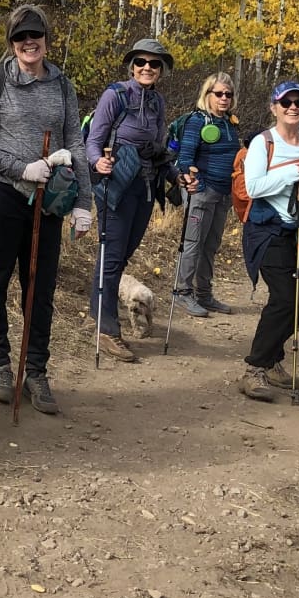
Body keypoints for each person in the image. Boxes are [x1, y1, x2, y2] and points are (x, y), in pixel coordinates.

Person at [0, 5, 92, 413]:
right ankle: (0, 366)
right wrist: (22, 168)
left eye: (35, 34)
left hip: (48, 201)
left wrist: (84, 203)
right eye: (20, 36)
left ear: (46, 38)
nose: (28, 42)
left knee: (39, 288)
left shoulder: (62, 85)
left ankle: (36, 371)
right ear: (11, 41)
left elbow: (75, 144)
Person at [238, 83, 299, 402]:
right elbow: (254, 187)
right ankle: (254, 368)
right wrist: (294, 172)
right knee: (284, 298)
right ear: (274, 107)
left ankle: (272, 360)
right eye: (286, 102)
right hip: (268, 231)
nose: (293, 107)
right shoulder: (262, 143)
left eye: (298, 102)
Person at [85, 38, 176, 361]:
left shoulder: (157, 103)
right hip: (117, 185)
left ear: (162, 69)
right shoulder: (116, 95)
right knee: (111, 257)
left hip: (146, 186)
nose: (147, 68)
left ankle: (99, 312)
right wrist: (99, 162)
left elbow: (160, 142)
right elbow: (94, 140)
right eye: (141, 62)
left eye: (154, 64)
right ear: (132, 66)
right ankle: (107, 330)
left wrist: (173, 172)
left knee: (121, 257)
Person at [171, 73, 242, 318]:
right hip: (202, 192)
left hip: (223, 194)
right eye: (219, 93)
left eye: (228, 94)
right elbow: (185, 158)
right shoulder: (197, 121)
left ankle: (204, 294)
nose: (224, 98)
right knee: (192, 244)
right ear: (208, 94)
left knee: (211, 246)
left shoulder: (230, 122)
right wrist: (193, 185)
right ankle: (182, 292)